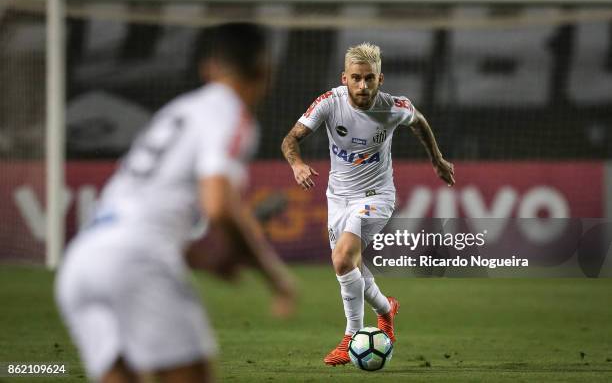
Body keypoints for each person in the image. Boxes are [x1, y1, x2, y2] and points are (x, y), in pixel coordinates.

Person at [56, 23, 296, 383]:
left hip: (81, 262)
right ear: (266, 72)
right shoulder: (233, 115)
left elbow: (146, 215)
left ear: (208, 68)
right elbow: (218, 205)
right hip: (135, 260)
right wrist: (273, 276)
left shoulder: (177, 110)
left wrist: (203, 257)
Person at [281, 42, 454, 366]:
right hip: (337, 197)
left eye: (370, 79)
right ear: (344, 78)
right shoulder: (329, 103)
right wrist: (297, 165)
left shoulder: (392, 107)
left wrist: (437, 160)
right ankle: (386, 309)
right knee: (352, 266)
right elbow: (290, 139)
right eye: (357, 78)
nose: (363, 86)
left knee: (343, 258)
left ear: (380, 79)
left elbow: (419, 122)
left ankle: (351, 338)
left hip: (377, 196)